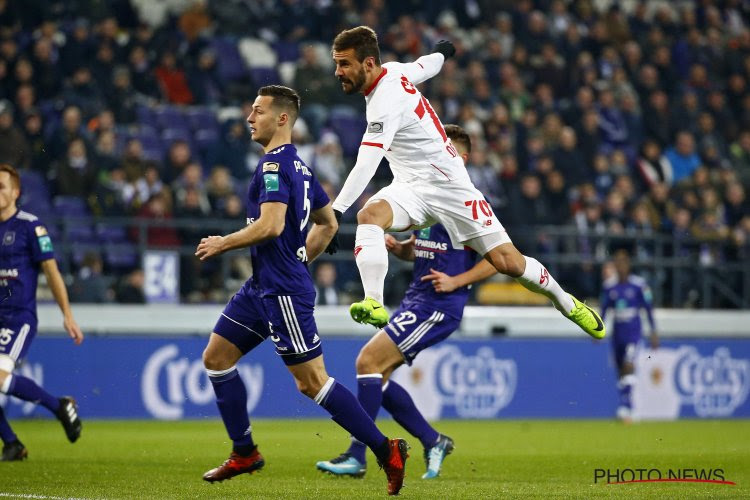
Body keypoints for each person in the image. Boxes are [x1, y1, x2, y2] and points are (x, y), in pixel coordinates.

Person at [325, 26, 605, 341]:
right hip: (411, 187)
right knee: (369, 216)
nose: (338, 71)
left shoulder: (384, 100)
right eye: (337, 63)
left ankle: (567, 303)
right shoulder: (392, 72)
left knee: (508, 262)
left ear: (369, 64)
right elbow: (424, 66)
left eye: (345, 63)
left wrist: (336, 212)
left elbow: (367, 161)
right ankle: (374, 302)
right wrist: (442, 54)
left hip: (452, 190)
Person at [195, 86, 408, 495]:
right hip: (262, 285)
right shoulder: (303, 170)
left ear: (282, 119)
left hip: (282, 291)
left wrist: (224, 242)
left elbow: (272, 225)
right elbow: (327, 224)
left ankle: (386, 450)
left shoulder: (275, 167)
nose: (249, 118)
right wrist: (300, 256)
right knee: (217, 358)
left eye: (257, 111)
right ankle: (245, 452)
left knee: (312, 382)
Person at [316, 125, 497, 480]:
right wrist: (402, 250)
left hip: (439, 307)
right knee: (376, 377)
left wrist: (457, 280)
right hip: (417, 300)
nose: (448, 158)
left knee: (368, 361)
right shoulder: (428, 196)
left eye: (456, 154)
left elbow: (500, 257)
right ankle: (433, 440)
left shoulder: (468, 202)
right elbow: (424, 247)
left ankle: (358, 455)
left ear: (467, 159)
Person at [0, 164, 83, 461]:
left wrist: (67, 315)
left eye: (2, 186)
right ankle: (11, 443)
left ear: (15, 192)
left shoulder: (30, 226)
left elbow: (51, 270)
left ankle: (57, 406)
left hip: (17, 316)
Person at [600, 248, 658, 423]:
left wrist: (653, 331)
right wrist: (597, 331)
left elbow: (648, 308)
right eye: (617, 262)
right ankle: (627, 404)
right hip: (617, 333)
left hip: (633, 333)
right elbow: (603, 310)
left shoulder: (639, 285)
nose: (620, 265)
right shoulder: (609, 286)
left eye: (623, 262)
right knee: (620, 372)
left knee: (628, 365)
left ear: (629, 264)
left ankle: (627, 408)